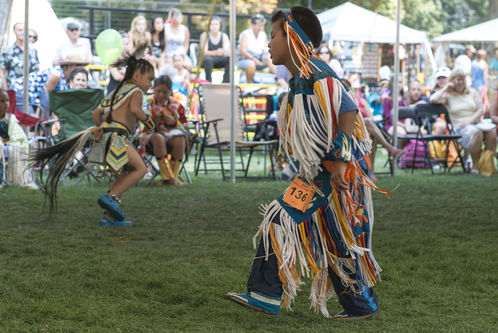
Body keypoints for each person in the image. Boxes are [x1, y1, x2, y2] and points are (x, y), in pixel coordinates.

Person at [227, 7, 381, 320]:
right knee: (336, 236)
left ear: (293, 35)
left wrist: (341, 161)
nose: (268, 44)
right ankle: (360, 304)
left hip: (335, 169)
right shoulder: (301, 79)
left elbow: (348, 111)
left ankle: (265, 295)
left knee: (279, 218)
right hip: (322, 169)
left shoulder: (317, 73)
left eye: (273, 36)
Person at [31, 42, 156, 225]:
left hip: (103, 139)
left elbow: (96, 113)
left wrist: (99, 129)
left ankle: (109, 216)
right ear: (137, 76)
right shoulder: (136, 91)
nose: (150, 83)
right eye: (149, 79)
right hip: (117, 139)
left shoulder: (116, 91)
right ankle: (110, 197)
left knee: (120, 177)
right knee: (141, 169)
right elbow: (136, 110)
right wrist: (149, 122)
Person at [430, 69, 497, 174]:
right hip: (460, 127)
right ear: (452, 81)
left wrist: (470, 121)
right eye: (457, 80)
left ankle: (486, 164)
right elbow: (432, 99)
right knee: (476, 133)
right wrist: (446, 87)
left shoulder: (472, 92)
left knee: (492, 132)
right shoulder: (448, 96)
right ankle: (475, 166)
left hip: (475, 122)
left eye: (462, 79)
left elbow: (480, 109)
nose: (460, 82)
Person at [342, 79, 404, 180]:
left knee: (370, 133)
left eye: (347, 87)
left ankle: (370, 173)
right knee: (367, 123)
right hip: (350, 131)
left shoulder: (360, 101)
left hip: (364, 131)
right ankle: (389, 149)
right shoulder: (339, 102)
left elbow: (371, 117)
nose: (346, 89)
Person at [139, 75, 190, 186]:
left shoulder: (176, 104)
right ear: (153, 89)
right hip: (150, 137)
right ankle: (169, 177)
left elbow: (184, 124)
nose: (161, 95)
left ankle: (172, 178)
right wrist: (154, 120)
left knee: (180, 138)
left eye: (165, 92)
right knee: (158, 137)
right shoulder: (147, 102)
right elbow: (142, 121)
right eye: (158, 91)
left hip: (170, 136)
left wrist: (173, 122)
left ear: (170, 92)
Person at [0, 89, 36, 188]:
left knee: (25, 146)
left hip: (10, 145)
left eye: (7, 100)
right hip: (2, 145)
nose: (6, 104)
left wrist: (11, 141)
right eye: (2, 101)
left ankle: (24, 178)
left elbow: (20, 136)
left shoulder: (11, 119)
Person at [0, 22, 39, 91]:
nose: (23, 32)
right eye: (20, 30)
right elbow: (1, 71)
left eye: (25, 30)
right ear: (14, 32)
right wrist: (6, 91)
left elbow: (37, 70)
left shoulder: (33, 51)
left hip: (31, 89)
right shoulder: (8, 51)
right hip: (14, 89)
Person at [237, 14, 275, 83]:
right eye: (259, 25)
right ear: (252, 25)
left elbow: (267, 49)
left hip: (260, 59)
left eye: (262, 25)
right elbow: (243, 51)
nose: (261, 27)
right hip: (245, 59)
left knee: (271, 59)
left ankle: (279, 81)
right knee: (251, 64)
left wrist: (266, 55)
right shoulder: (245, 34)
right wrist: (254, 59)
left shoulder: (263, 34)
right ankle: (250, 85)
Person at [199, 16, 230, 83]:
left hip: (220, 60)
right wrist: (216, 52)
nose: (214, 27)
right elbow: (204, 53)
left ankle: (226, 82)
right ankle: (208, 82)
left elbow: (227, 50)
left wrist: (224, 52)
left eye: (216, 24)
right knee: (208, 59)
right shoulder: (205, 35)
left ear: (220, 26)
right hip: (207, 61)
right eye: (212, 24)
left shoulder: (224, 36)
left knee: (229, 59)